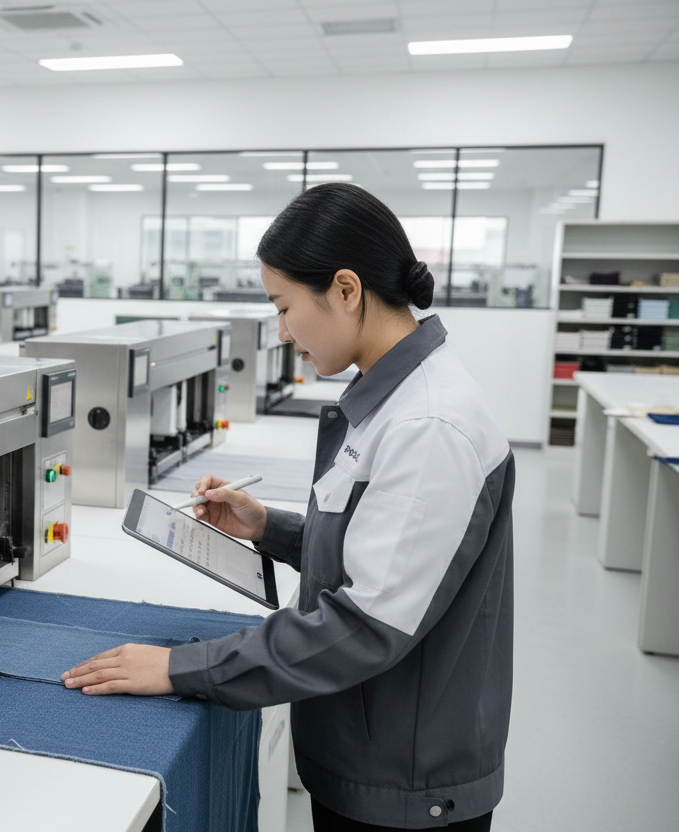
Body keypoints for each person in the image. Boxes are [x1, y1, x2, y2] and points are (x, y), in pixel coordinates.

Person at [61, 183, 513, 831]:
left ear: (347, 290)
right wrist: (269, 528)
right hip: (372, 751)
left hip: (405, 788)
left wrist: (182, 667)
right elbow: (387, 550)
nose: (282, 331)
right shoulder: (390, 398)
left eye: (284, 305)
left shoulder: (429, 424)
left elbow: (364, 625)